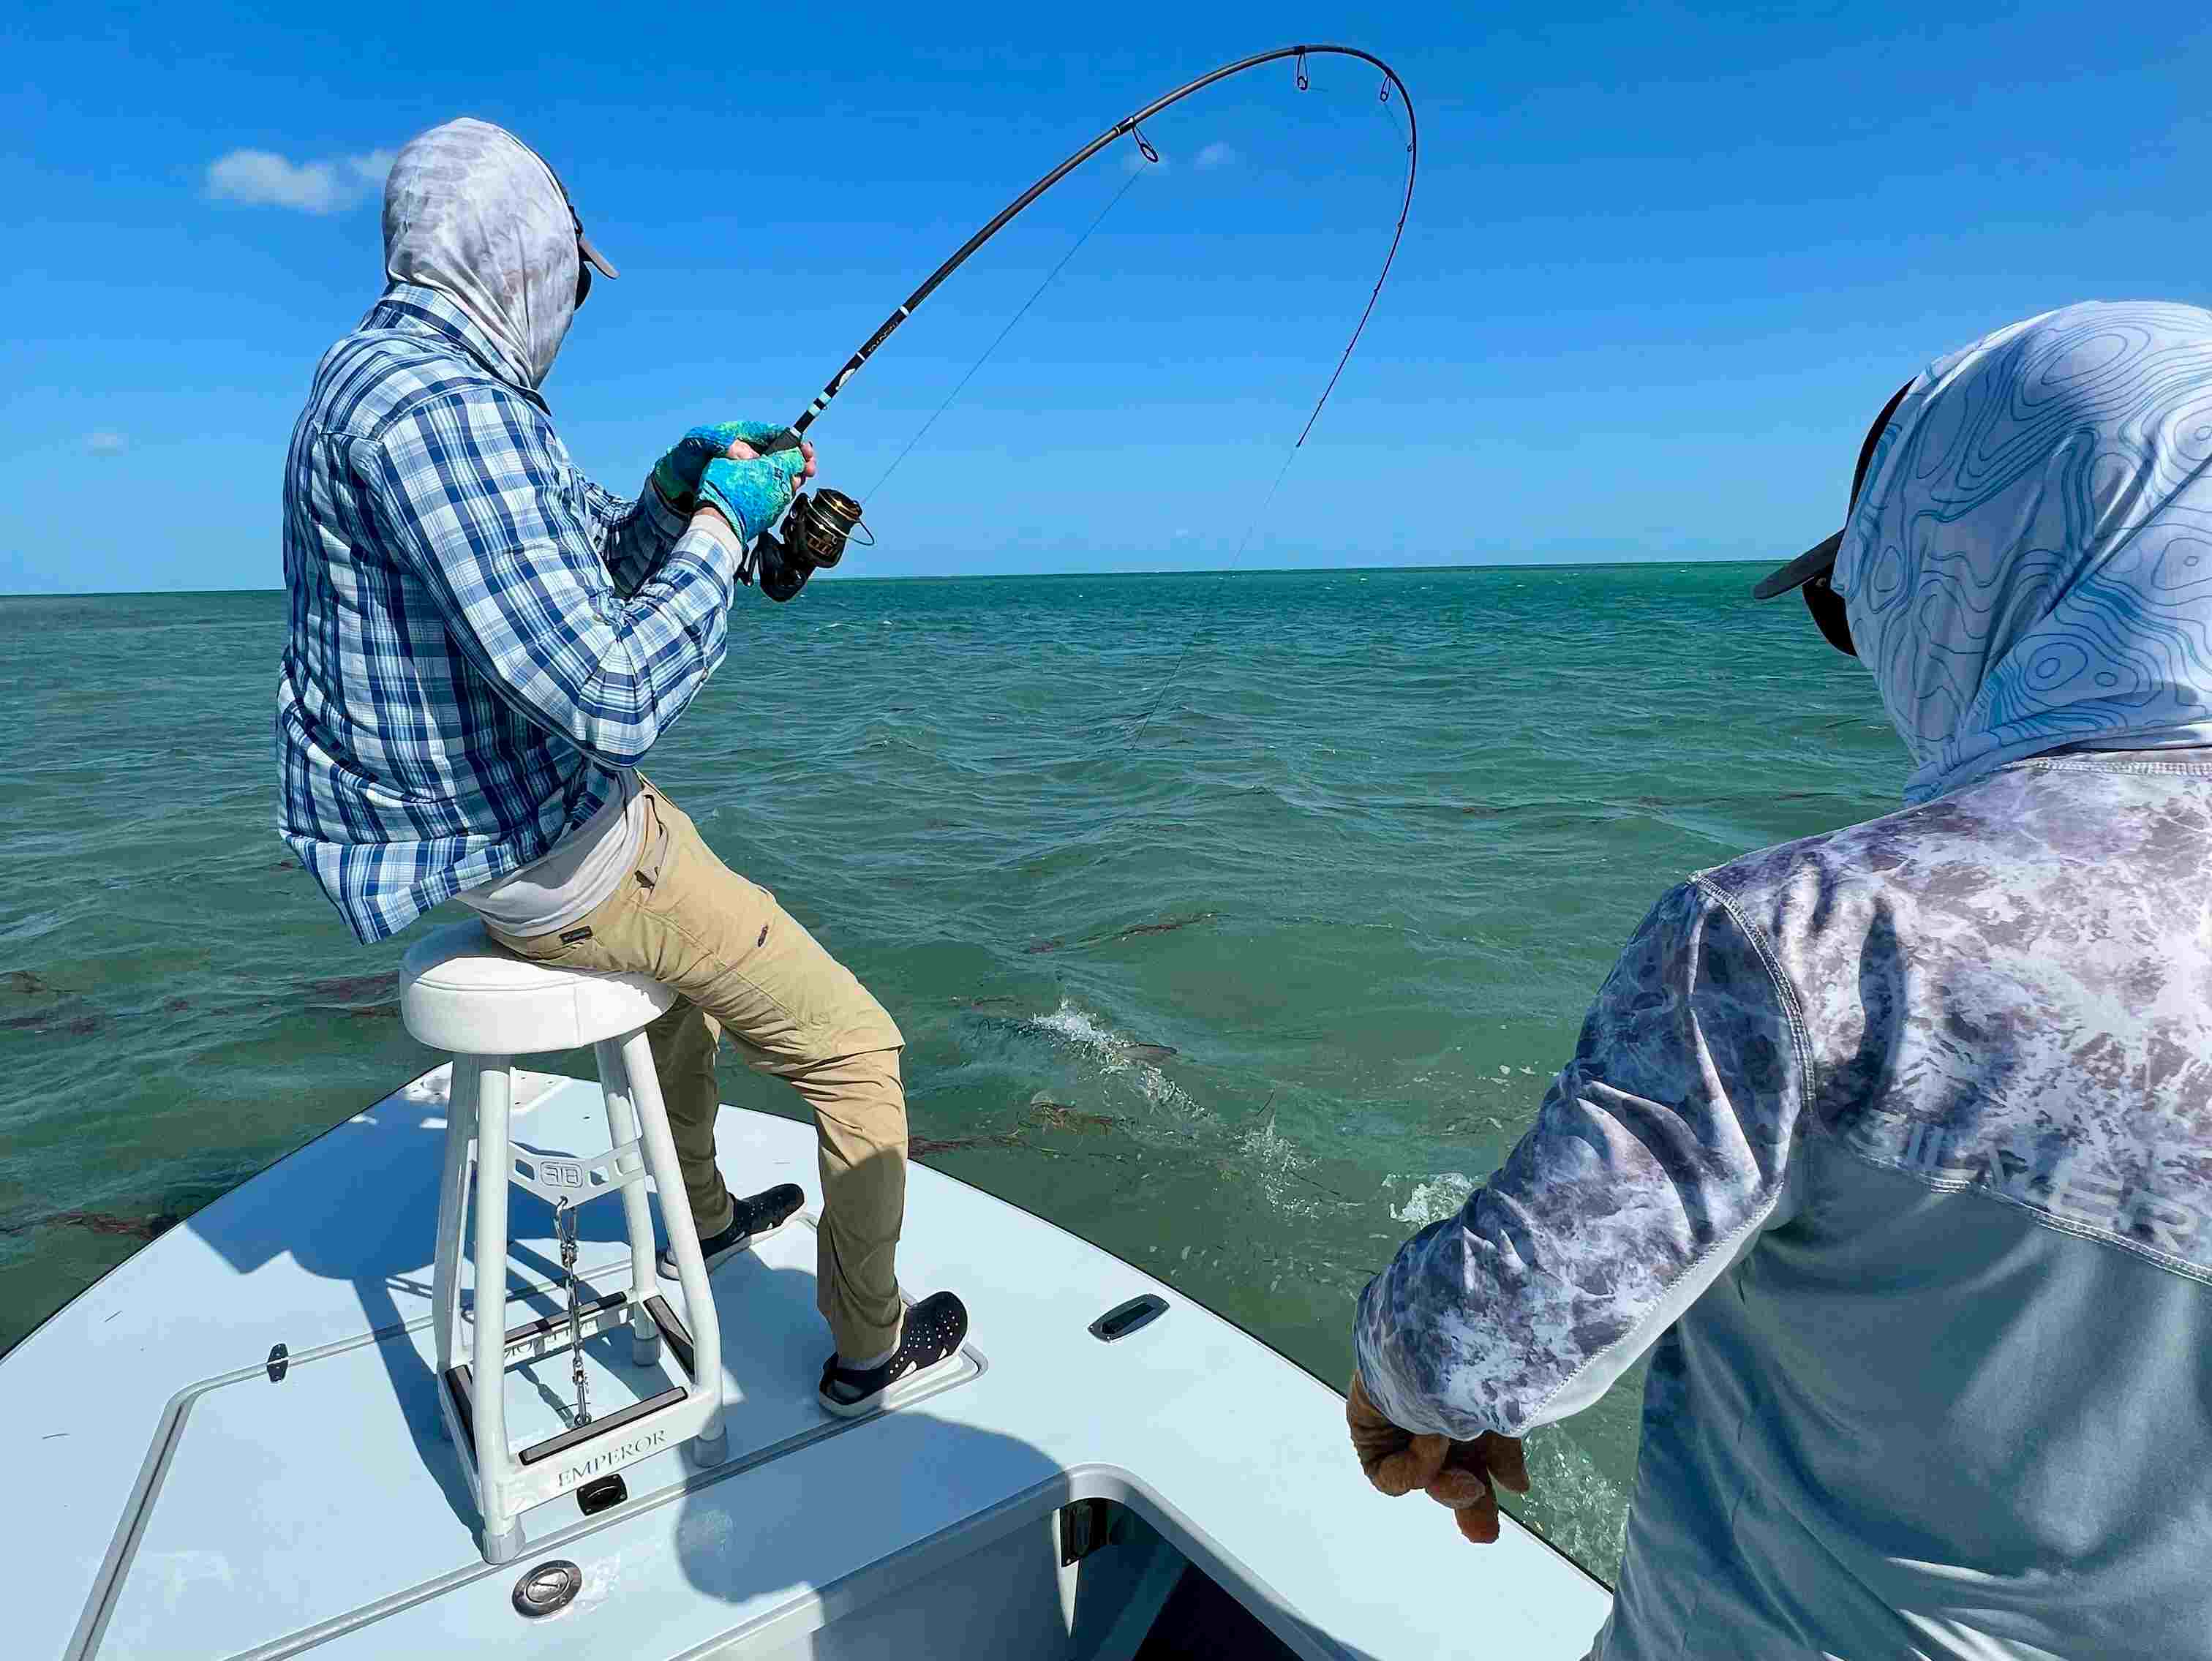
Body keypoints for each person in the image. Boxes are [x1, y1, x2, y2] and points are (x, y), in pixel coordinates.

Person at [1346, 300, 2212, 1659]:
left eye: (1848, 606)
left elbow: (1477, 1349)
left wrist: (1395, 1379)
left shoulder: (1806, 939)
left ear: (1969, 573)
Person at [275, 118, 964, 1416]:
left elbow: (564, 559)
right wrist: (722, 530)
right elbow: (610, 691)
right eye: (571, 280)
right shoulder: (441, 413)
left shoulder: (391, 377)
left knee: (692, 996)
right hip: (573, 856)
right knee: (859, 1052)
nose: (573, 307)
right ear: (518, 259)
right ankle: (869, 1346)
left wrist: (669, 488)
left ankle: (699, 1215)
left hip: (506, 853)